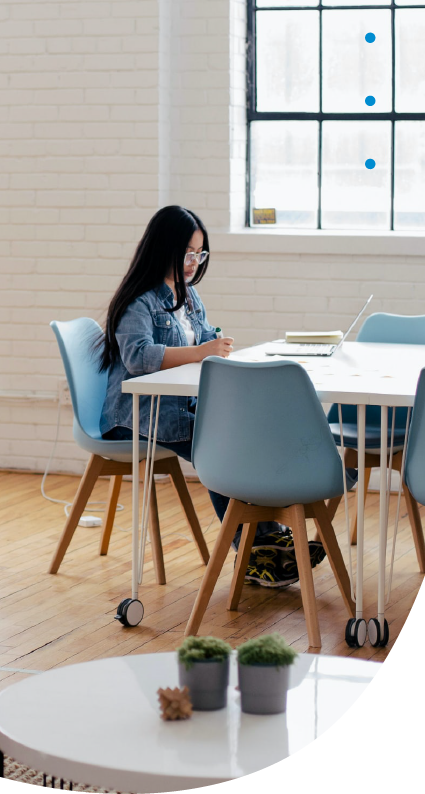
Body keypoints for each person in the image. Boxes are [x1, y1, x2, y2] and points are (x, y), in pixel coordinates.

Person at [97, 204, 339, 588]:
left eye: (199, 253)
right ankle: (257, 546)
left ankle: (266, 539)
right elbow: (138, 357)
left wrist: (214, 346)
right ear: (164, 249)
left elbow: (205, 339)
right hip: (137, 418)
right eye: (187, 253)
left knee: (243, 433)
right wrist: (201, 351)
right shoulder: (139, 301)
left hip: (181, 408)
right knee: (223, 446)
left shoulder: (189, 296)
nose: (193, 262)